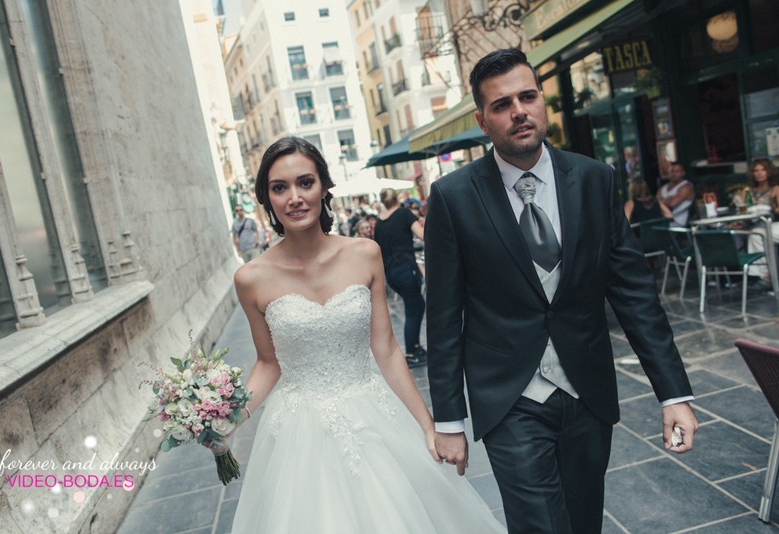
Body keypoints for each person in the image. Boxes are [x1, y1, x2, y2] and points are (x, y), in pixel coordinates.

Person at [424, 49, 698, 534]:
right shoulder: (453, 197)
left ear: (542, 101)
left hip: (587, 391)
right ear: (483, 121)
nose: (519, 111)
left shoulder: (594, 179)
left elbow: (635, 295)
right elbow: (444, 316)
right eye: (502, 104)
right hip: (509, 397)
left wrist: (672, 392)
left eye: (527, 97)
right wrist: (449, 420)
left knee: (584, 521)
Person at [214, 137, 505, 534]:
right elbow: (268, 364)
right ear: (267, 198)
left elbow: (386, 349)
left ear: (323, 187)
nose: (295, 198)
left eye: (305, 183)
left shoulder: (365, 253)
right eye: (280, 188)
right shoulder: (250, 278)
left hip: (373, 417)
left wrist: (427, 424)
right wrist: (228, 419)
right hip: (300, 432)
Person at [374, 188, 427, 368]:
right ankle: (411, 353)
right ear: (397, 200)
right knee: (413, 309)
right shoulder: (404, 214)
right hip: (405, 268)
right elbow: (423, 235)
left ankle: (416, 347)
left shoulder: (379, 222)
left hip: (391, 273)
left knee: (417, 305)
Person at [745, 158, 779, 288]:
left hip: (771, 223)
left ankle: (765, 278)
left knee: (756, 233)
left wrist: (774, 207)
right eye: (756, 170)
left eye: (763, 170)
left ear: (769, 171)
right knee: (750, 233)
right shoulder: (749, 190)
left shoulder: (775, 189)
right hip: (758, 224)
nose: (759, 173)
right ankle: (759, 276)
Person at [657, 162, 694, 227]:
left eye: (677, 171)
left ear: (683, 173)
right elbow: (655, 203)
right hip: (662, 222)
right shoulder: (663, 188)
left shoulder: (686, 187)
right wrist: (669, 198)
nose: (674, 174)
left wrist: (662, 200)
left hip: (678, 223)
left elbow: (672, 203)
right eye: (672, 171)